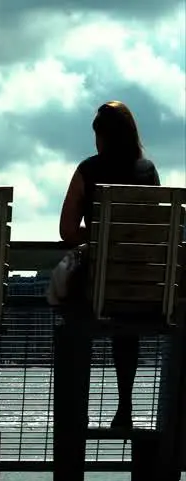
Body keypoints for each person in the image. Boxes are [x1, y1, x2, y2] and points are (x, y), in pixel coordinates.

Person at [55, 101, 161, 430]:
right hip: (139, 285)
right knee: (125, 323)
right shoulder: (147, 170)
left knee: (75, 317)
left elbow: (68, 231)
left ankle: (78, 410)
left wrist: (98, 234)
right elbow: (152, 228)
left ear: (101, 136)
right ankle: (125, 404)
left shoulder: (89, 169)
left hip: (95, 286)